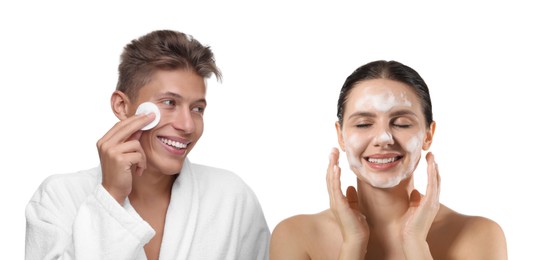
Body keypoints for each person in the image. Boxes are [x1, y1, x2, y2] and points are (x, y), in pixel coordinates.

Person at [25, 30, 270, 260]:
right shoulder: (59, 198)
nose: (187, 125)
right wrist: (110, 196)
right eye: (169, 102)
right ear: (121, 106)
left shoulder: (231, 198)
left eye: (197, 108)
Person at [269, 60, 507, 259]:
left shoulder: (478, 236)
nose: (383, 138)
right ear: (341, 136)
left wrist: (416, 246)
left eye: (401, 123)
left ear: (428, 135)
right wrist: (353, 244)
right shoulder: (295, 236)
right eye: (363, 124)